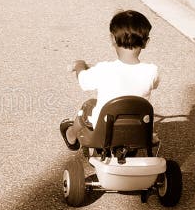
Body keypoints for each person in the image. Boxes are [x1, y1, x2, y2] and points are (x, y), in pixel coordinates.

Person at [60, 10, 160, 150]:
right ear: (146, 42)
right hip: (139, 133)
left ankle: (71, 135)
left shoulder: (103, 69)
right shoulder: (152, 71)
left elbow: (83, 81)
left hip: (103, 132)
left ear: (113, 39)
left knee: (88, 106)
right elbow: (149, 84)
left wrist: (79, 66)